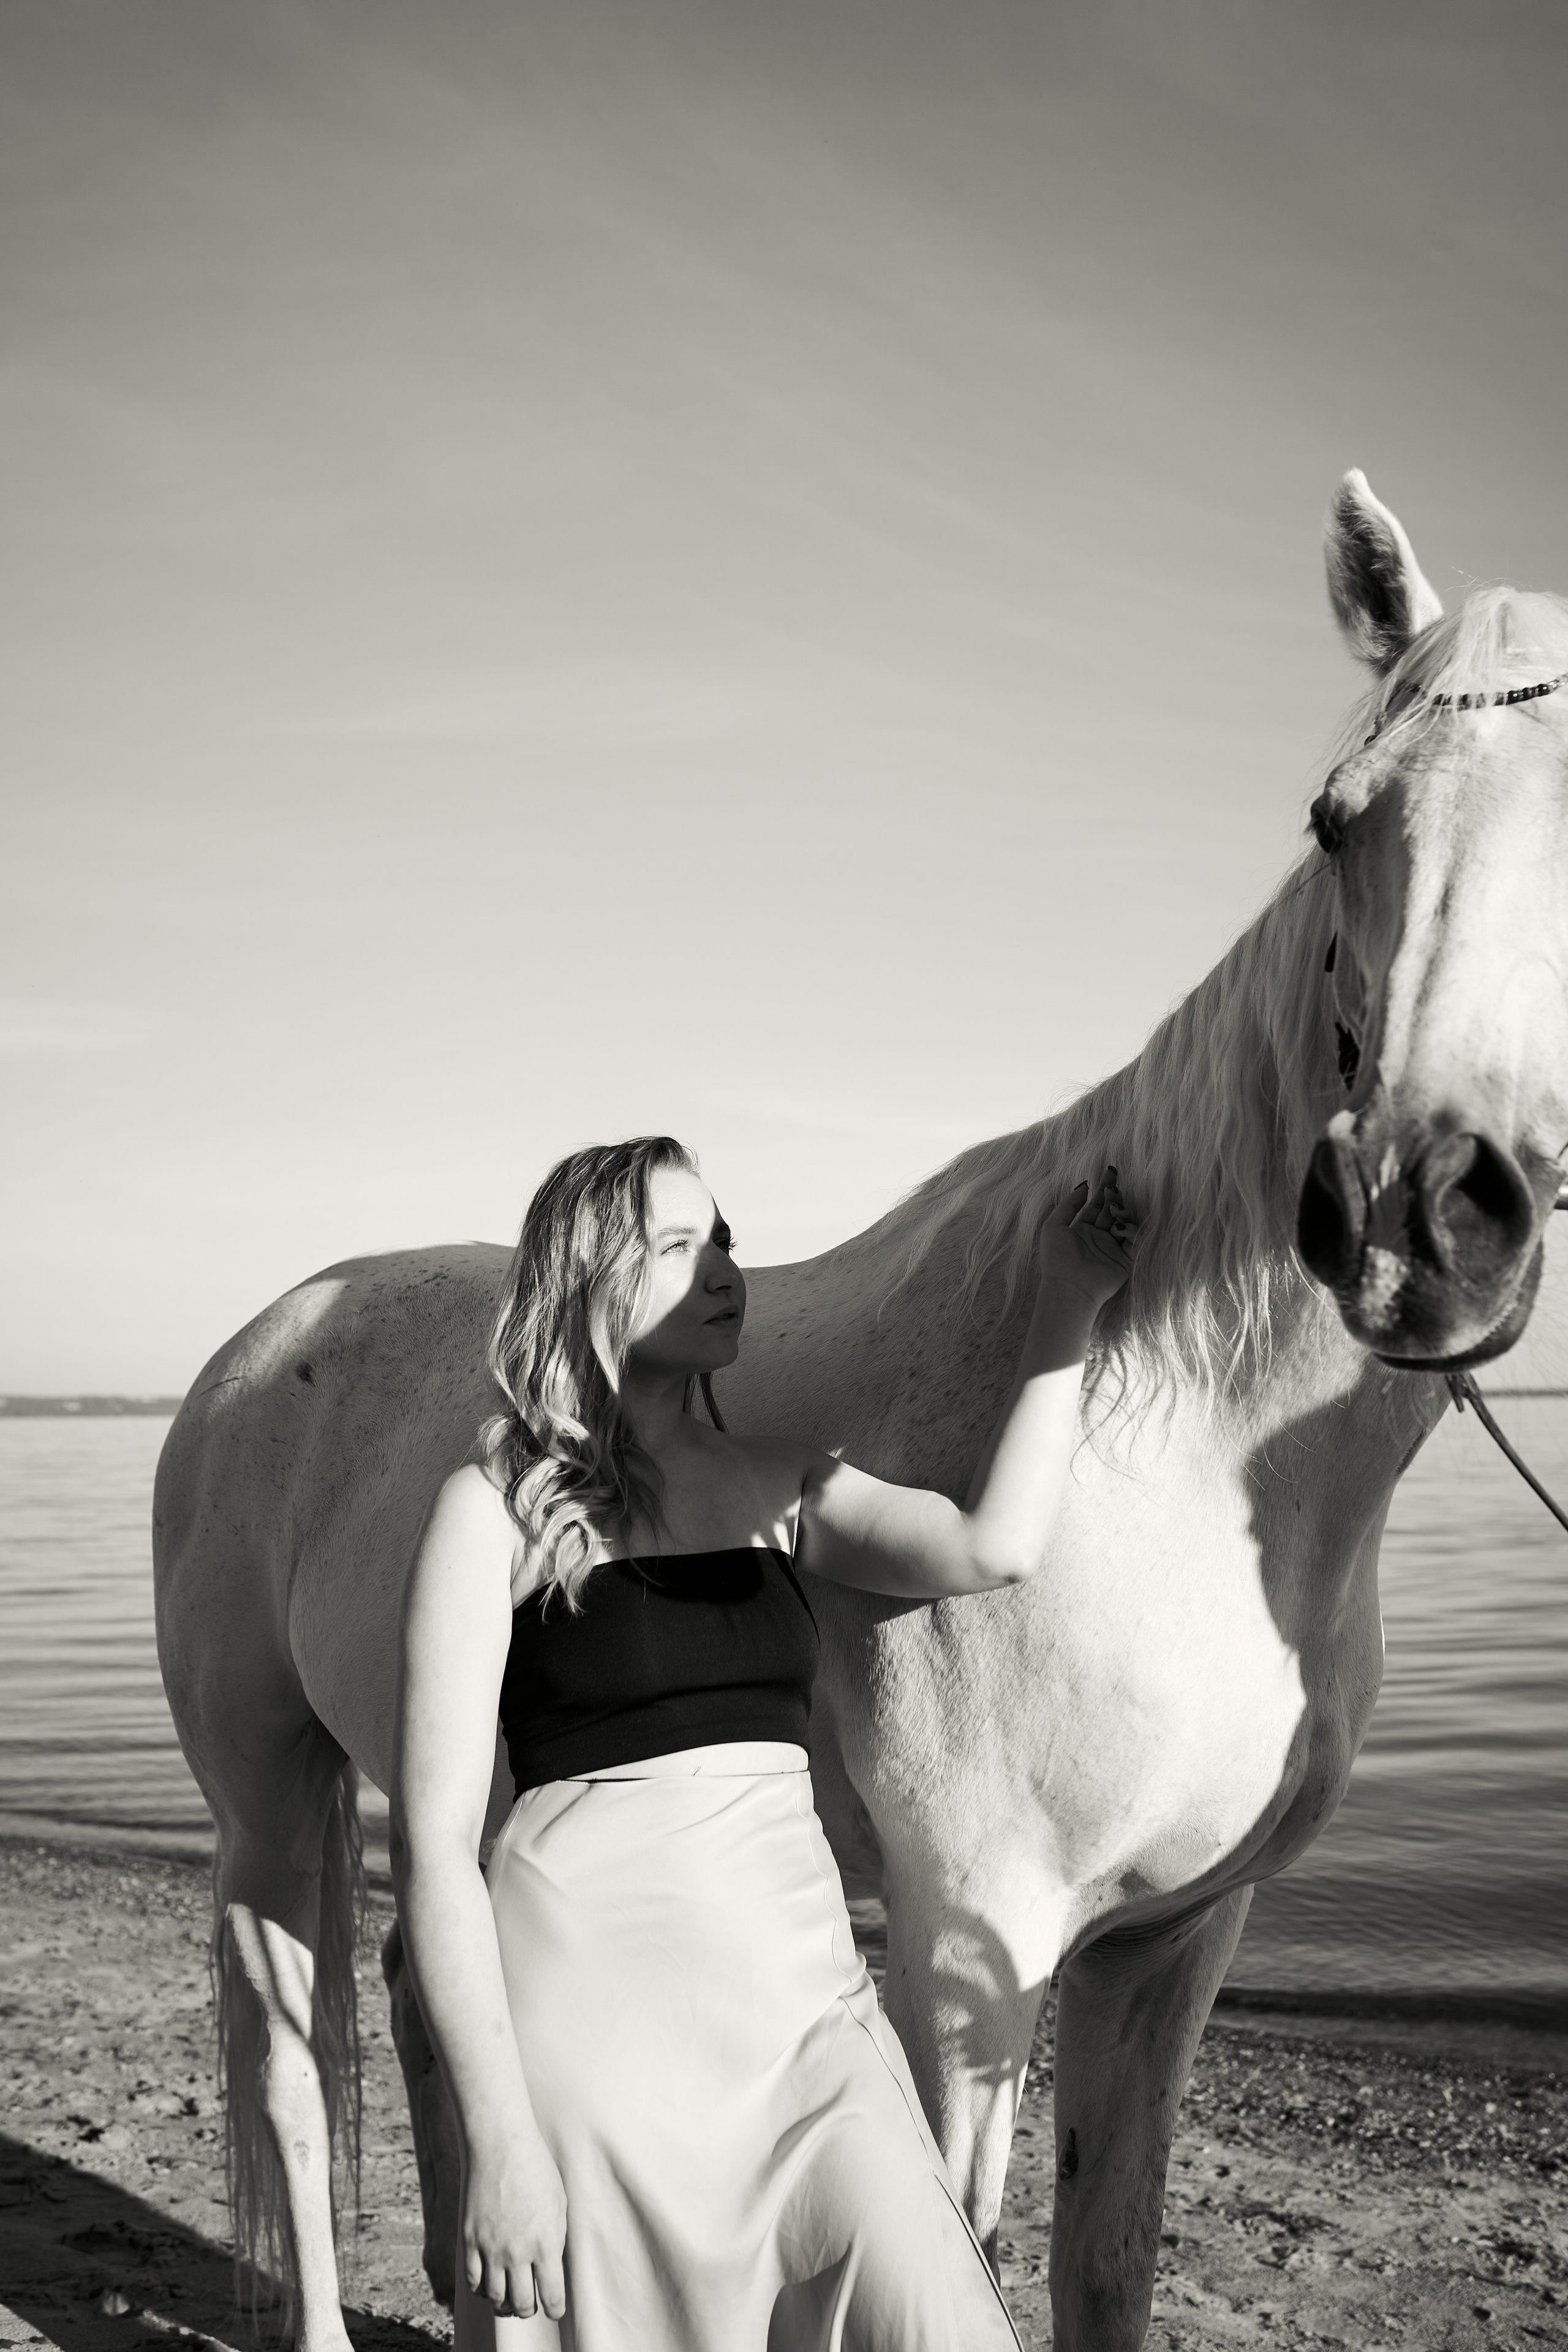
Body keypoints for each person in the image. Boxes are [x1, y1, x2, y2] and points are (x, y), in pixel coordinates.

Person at [391, 1135, 1136, 2352]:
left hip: (803, 2023)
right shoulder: (494, 1510)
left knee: (938, 2317)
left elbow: (994, 1545)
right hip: (592, 2040)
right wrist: (500, 2136)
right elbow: (430, 1851)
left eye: (723, 1237)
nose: (724, 1265)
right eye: (677, 1247)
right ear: (587, 1283)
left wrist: (1067, 1300)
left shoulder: (786, 1486)